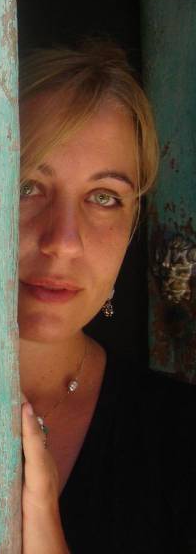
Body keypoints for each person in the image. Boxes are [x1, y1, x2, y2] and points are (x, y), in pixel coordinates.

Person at [17, 41, 196, 553]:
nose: (63, 241)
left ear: (133, 225)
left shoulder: (181, 441)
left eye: (104, 197)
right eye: (27, 186)